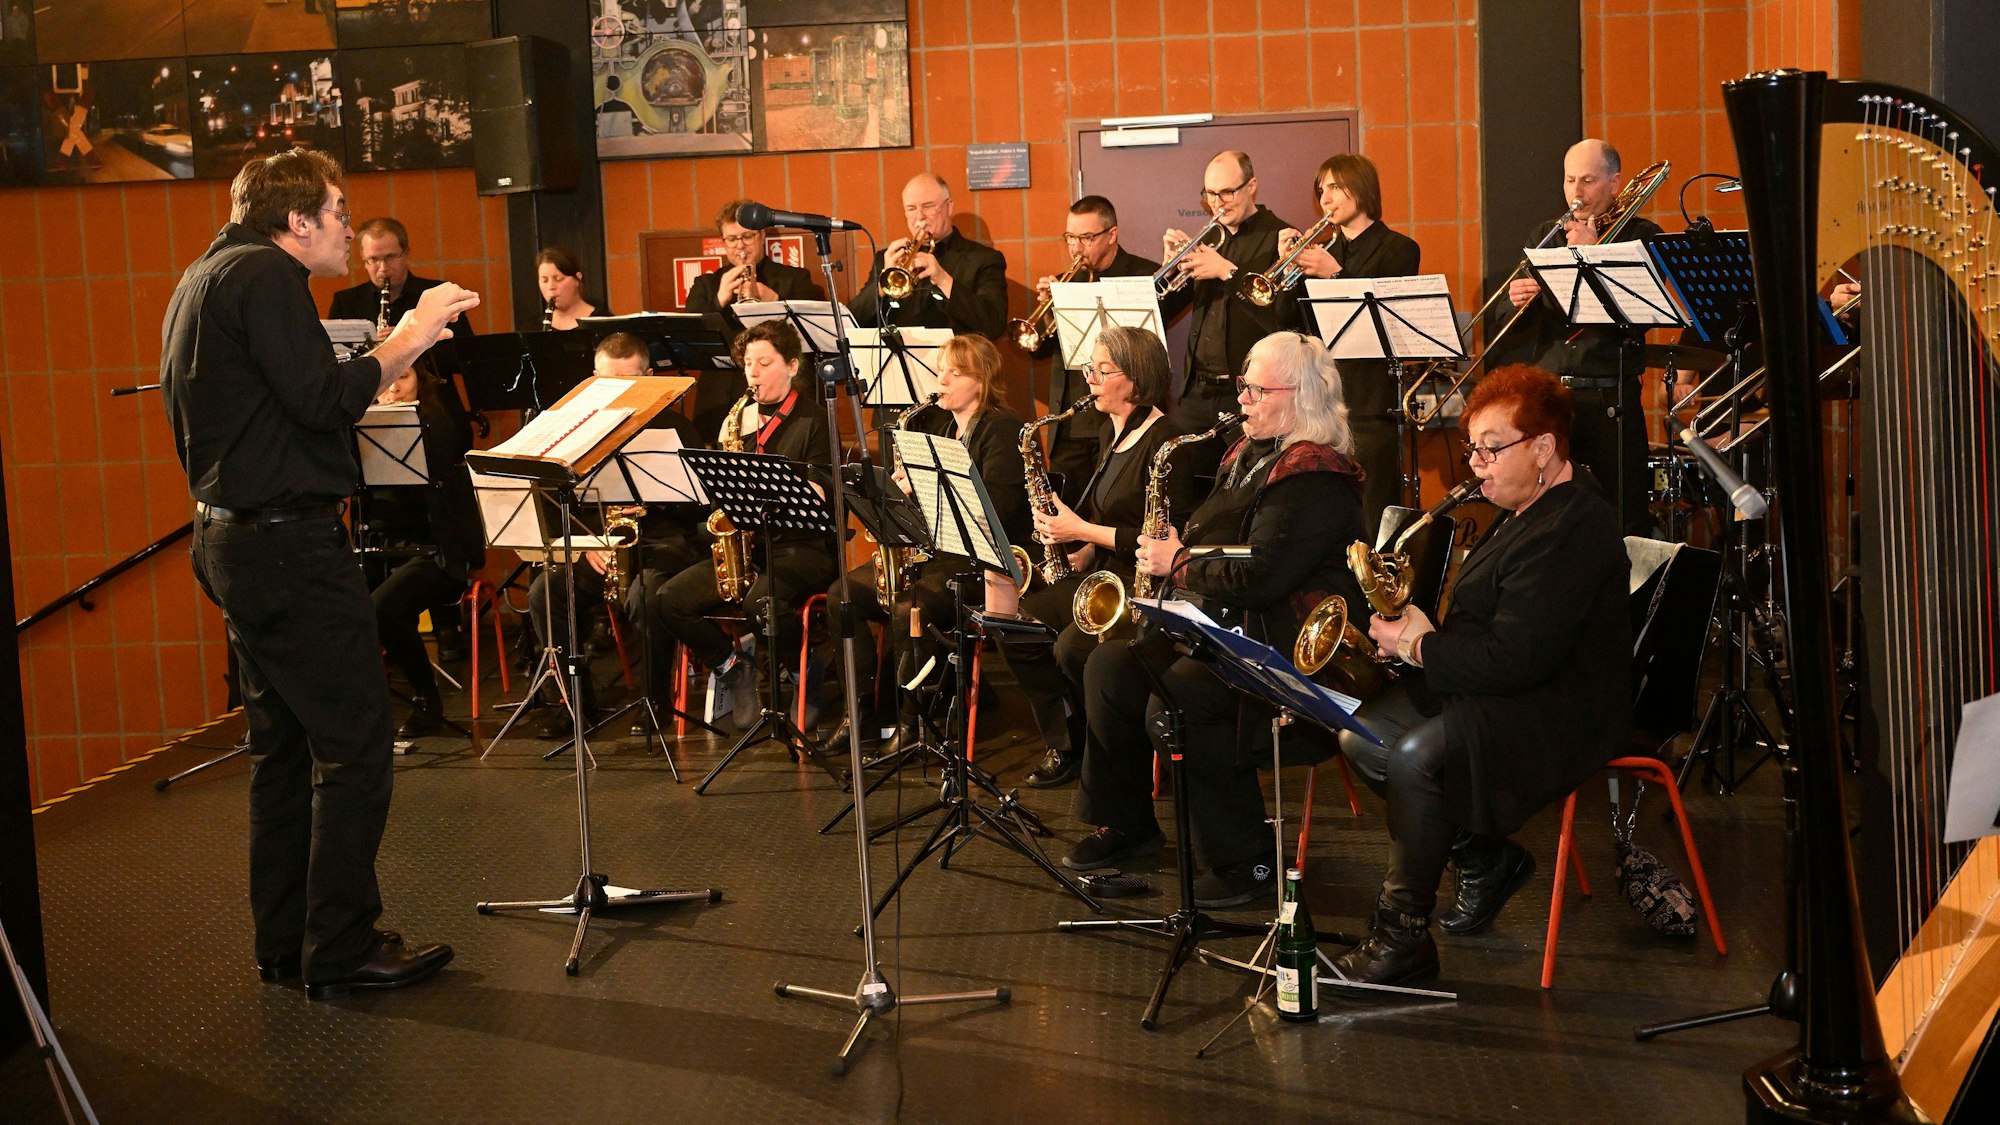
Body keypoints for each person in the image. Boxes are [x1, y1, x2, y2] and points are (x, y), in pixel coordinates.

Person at [161, 149, 477, 999]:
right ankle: (340, 945)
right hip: (287, 550)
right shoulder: (265, 277)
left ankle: (287, 942)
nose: (347, 224)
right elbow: (322, 401)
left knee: (283, 751)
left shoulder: (206, 274)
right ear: (296, 220)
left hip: (235, 541)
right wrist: (411, 334)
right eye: (338, 212)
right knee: (356, 748)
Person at [1331, 365, 1631, 984]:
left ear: (1544, 448)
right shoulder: (1525, 506)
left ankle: (1402, 935)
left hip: (1560, 708)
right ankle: (1483, 857)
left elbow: (1519, 660)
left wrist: (1420, 648)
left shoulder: (1577, 524)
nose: (1475, 464)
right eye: (1473, 447)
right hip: (1507, 686)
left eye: (1492, 448)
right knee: (1359, 731)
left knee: (1415, 756)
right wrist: (1410, 635)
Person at [1062, 332, 1369, 908]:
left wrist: (1176, 563)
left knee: (1178, 699)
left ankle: (1244, 861)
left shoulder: (1314, 476)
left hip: (1284, 647)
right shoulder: (1251, 452)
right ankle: (1126, 824)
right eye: (1243, 385)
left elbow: (1264, 577)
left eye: (1257, 389)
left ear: (1299, 396)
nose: (1244, 399)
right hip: (1225, 624)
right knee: (1108, 664)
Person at [1004, 326, 1196, 788]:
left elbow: (1166, 535)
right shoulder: (1111, 434)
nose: (1088, 378)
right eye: (1089, 368)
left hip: (1150, 582)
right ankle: (1072, 739)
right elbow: (1112, 513)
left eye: (1101, 370)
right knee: (1018, 622)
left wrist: (1081, 530)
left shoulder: (1169, 442)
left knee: (1073, 646)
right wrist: (1082, 552)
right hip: (1106, 574)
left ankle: (1119, 749)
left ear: (1135, 379)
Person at [819, 333, 1031, 747]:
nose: (943, 380)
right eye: (940, 371)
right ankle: (859, 713)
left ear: (983, 379)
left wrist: (924, 491)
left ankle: (915, 725)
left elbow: (999, 513)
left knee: (907, 608)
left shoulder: (1002, 427)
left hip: (986, 562)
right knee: (842, 593)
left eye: (955, 372)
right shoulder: (946, 428)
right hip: (943, 554)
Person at [516, 333, 709, 732]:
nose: (621, 393)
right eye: (608, 383)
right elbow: (558, 502)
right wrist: (587, 545)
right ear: (592, 380)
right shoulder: (577, 433)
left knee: (646, 598)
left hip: (663, 545)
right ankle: (577, 704)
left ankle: (654, 702)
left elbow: (701, 507)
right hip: (600, 545)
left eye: (631, 382)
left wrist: (657, 500)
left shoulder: (678, 431)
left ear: (651, 377)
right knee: (545, 592)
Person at [649, 319, 836, 728]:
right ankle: (733, 666)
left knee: (761, 603)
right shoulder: (736, 419)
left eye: (764, 362)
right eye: (748, 363)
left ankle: (802, 672)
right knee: (668, 599)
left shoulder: (813, 419)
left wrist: (791, 487)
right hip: (747, 549)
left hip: (800, 547)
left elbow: (825, 489)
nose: (752, 372)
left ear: (791, 366)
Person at [1495, 139, 1660, 534]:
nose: (1577, 192)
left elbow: (1641, 315)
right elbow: (1505, 326)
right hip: (1551, 398)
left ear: (1616, 182)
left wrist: (1595, 251)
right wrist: (1515, 301)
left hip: (1609, 401)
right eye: (1570, 180)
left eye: (1588, 180)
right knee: (1549, 519)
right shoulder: (1546, 234)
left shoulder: (1642, 234)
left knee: (1618, 518)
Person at [1279, 154, 1422, 537]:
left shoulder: (1399, 248)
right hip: (1323, 402)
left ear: (1361, 189)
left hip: (1372, 404)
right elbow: (1287, 322)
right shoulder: (1325, 253)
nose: (1324, 199)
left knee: (1373, 518)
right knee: (1329, 517)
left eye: (1335, 187)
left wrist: (1336, 274)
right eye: (1321, 189)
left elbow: (1385, 322)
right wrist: (1286, 267)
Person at [367, 364, 485, 741]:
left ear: (420, 380)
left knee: (382, 608)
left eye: (403, 377)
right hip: (382, 548)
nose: (394, 388)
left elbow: (447, 463)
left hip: (438, 549)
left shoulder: (436, 422)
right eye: (386, 379)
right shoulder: (362, 427)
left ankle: (427, 699)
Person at [1158, 151, 1297, 444]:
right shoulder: (1208, 239)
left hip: (1249, 394)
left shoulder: (1279, 238)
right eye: (1210, 194)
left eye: (1226, 193)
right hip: (1195, 394)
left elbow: (1283, 320)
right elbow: (1166, 311)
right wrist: (1169, 269)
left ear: (1252, 186)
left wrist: (1228, 273)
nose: (1217, 204)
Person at [1030, 195, 1161, 504]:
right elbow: (1036, 351)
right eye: (1070, 238)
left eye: (1086, 238)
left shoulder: (1145, 275)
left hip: (1122, 415)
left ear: (1111, 235)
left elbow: (1151, 350)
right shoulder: (1064, 283)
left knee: (1118, 506)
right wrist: (1048, 313)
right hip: (1070, 420)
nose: (1076, 247)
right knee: (1069, 509)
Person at [683, 199, 825, 435]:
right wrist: (718, 301)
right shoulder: (706, 285)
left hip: (780, 395)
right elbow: (692, 338)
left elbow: (811, 337)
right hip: (720, 398)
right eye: (732, 239)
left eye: (747, 237)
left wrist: (775, 301)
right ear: (724, 242)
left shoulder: (795, 279)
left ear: (761, 236)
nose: (741, 246)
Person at [848, 173, 1008, 339]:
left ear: (949, 206)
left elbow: (994, 325)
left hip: (956, 363)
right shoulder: (887, 258)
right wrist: (881, 286)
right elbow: (851, 323)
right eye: (911, 209)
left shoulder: (984, 259)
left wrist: (944, 280)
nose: (920, 216)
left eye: (928, 206)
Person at [536, 245, 609, 331]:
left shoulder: (605, 324)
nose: (551, 286)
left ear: (577, 279)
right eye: (545, 280)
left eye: (558, 279)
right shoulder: (533, 326)